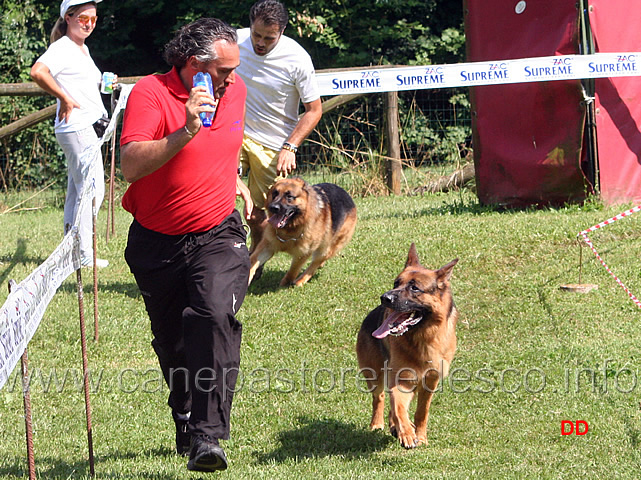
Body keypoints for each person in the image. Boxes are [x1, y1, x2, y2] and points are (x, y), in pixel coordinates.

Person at [119, 17, 252, 473]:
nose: (232, 79)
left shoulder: (235, 92)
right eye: (223, 71)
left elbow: (228, 142)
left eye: (235, 70)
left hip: (218, 232)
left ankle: (207, 437)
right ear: (195, 64)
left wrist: (233, 179)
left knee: (213, 316)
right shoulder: (150, 94)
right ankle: (185, 408)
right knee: (173, 341)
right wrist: (185, 132)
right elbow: (130, 166)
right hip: (157, 242)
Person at [236, 0, 322, 251]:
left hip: (273, 143)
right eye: (256, 35)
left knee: (262, 214)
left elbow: (314, 110)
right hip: (236, 134)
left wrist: (290, 146)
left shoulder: (298, 59)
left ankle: (256, 255)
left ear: (282, 32)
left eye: (269, 38)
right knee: (216, 196)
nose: (260, 43)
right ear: (250, 26)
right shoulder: (234, 42)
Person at [30, 0, 109, 268]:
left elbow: (85, 83)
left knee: (78, 192)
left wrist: (107, 81)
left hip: (85, 127)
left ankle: (71, 248)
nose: (88, 24)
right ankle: (82, 253)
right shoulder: (62, 47)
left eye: (94, 19)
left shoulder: (82, 49)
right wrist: (63, 97)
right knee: (93, 189)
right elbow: (38, 72)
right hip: (77, 127)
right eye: (83, 18)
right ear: (69, 17)